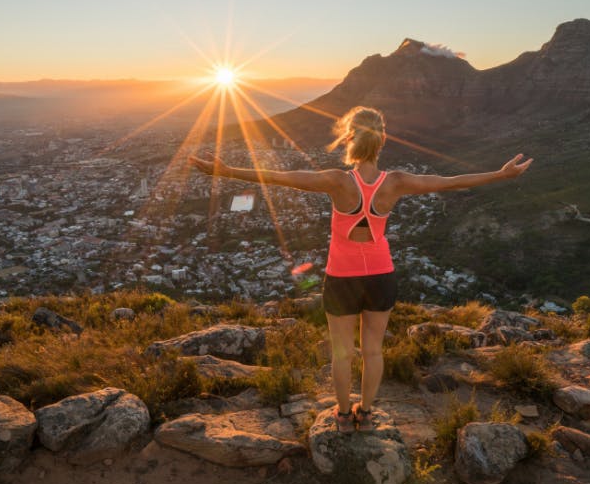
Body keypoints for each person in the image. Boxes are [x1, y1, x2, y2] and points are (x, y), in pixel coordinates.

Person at [189, 106, 532, 432]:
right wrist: (501, 175)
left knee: (342, 353)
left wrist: (228, 170)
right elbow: (451, 181)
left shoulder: (337, 181)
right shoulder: (395, 182)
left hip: (342, 277)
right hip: (381, 275)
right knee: (372, 350)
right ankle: (365, 414)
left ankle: (341, 414)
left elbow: (281, 177)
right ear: (382, 140)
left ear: (350, 139)